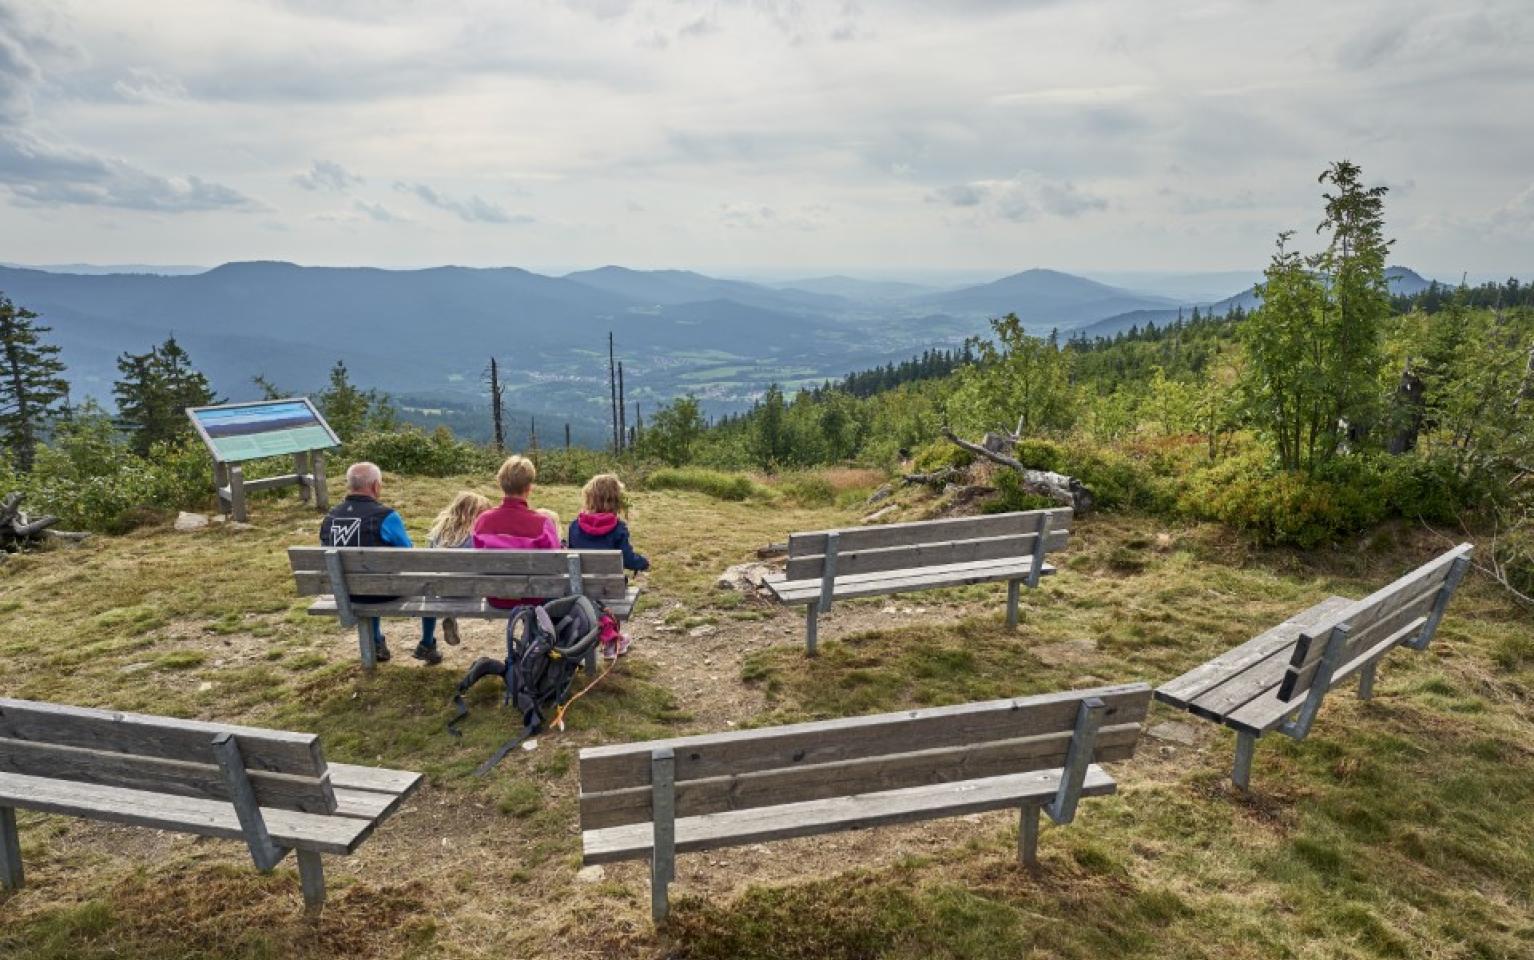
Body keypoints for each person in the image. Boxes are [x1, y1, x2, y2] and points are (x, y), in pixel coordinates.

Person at [319, 462, 416, 664]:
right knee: (376, 579)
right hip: (381, 593)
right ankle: (380, 640)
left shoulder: (330, 517)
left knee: (367, 578)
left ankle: (376, 640)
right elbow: (408, 555)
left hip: (343, 592)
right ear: (375, 486)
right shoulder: (386, 516)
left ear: (350, 486)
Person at [568, 473, 647, 658]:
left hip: (579, 588)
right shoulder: (618, 528)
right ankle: (611, 644)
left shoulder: (574, 526)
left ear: (589, 498)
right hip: (610, 589)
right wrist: (643, 563)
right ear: (617, 501)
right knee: (611, 588)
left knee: (593, 589)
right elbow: (627, 559)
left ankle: (584, 640)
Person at [472, 455, 560, 608]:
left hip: (496, 596)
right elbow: (555, 563)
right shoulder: (542, 523)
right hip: (533, 596)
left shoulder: (483, 521)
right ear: (528, 487)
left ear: (501, 485)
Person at [420, 490, 493, 652]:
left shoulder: (437, 534)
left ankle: (426, 641)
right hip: (472, 592)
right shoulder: (477, 536)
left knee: (432, 585)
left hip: (440, 591)